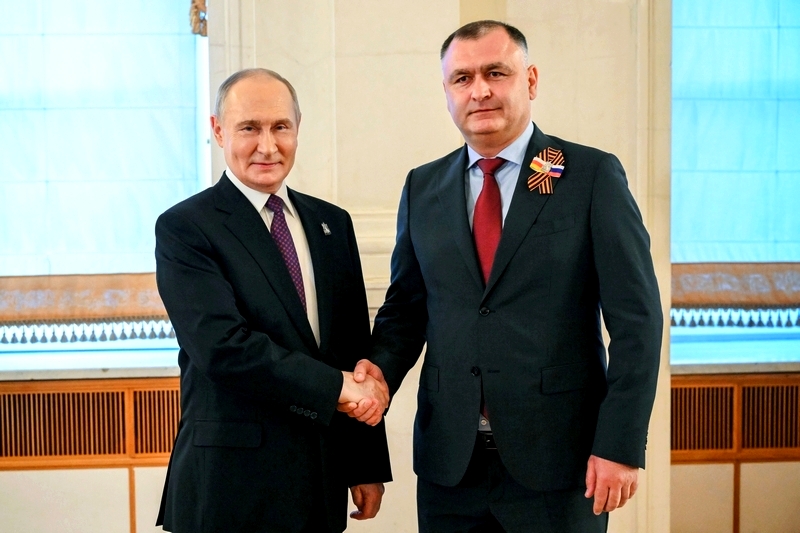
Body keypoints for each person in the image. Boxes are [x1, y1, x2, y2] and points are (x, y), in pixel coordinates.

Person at [347, 20, 662, 532]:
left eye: (496, 72)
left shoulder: (590, 176)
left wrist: (620, 444)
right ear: (447, 92)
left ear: (530, 80)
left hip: (560, 464)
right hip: (451, 467)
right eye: (463, 78)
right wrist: (378, 374)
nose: (480, 91)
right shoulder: (423, 186)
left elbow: (637, 324)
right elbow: (406, 311)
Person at [154, 68, 392, 533]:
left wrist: (365, 463)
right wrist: (337, 387)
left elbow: (351, 347)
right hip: (229, 488)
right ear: (218, 130)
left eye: (280, 126)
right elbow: (222, 348)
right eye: (249, 128)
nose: (267, 146)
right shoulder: (186, 228)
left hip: (318, 482)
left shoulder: (331, 223)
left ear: (297, 129)